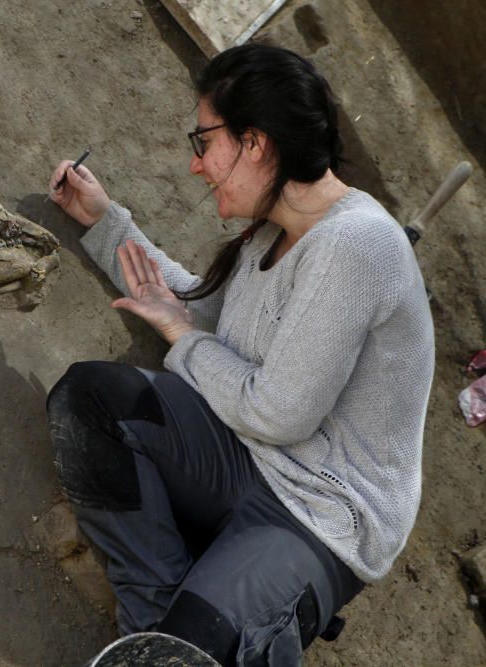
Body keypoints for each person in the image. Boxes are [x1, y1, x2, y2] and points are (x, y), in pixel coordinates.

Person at [45, 43, 434, 666]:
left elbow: (279, 414)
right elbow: (201, 311)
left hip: (315, 516)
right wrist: (105, 222)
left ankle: (197, 633)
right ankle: (154, 629)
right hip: (242, 455)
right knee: (92, 402)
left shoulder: (358, 247)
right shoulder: (280, 226)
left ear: (255, 143)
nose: (197, 164)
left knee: (195, 649)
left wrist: (185, 340)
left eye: (204, 142)